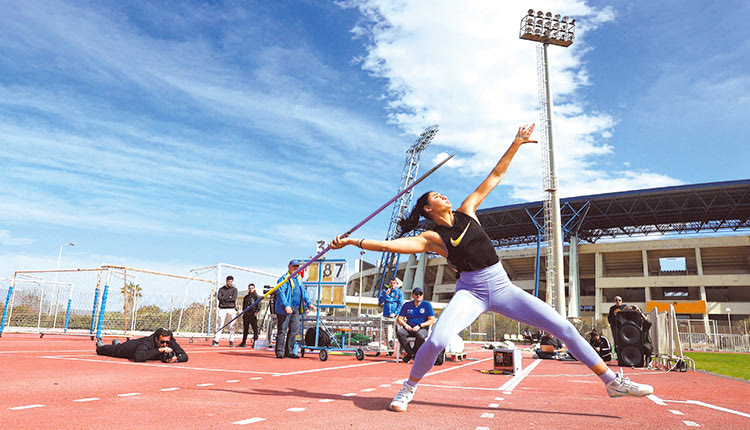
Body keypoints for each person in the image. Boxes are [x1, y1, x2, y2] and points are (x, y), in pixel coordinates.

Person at [330, 124, 653, 412]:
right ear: (429, 209)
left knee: (565, 329)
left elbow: (495, 176)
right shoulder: (430, 237)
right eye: (437, 196)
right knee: (438, 340)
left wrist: (516, 143)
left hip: (502, 287)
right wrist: (352, 242)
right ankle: (408, 387)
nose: (445, 196)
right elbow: (388, 246)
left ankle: (612, 382)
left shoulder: (468, 210)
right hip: (471, 291)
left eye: (444, 194)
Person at [275, 260, 316, 359]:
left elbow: (304, 293)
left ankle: (289, 351)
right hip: (285, 309)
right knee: (282, 330)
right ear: (289, 267)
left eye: (297, 267)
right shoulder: (284, 279)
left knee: (294, 330)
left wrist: (309, 304)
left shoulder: (299, 279)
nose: (296, 268)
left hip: (296, 308)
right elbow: (281, 293)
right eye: (294, 266)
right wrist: (286, 305)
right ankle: (280, 352)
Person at [96, 328, 188, 363]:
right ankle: (100, 347)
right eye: (162, 342)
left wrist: (176, 359)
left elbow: (185, 356)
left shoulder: (169, 341)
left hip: (137, 347)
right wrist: (159, 350)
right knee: (116, 350)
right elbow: (138, 357)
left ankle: (117, 342)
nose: (165, 345)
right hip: (130, 348)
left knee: (118, 346)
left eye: (167, 342)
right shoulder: (148, 342)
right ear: (156, 339)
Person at [396, 287, 436, 363]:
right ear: (413, 296)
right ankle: (411, 354)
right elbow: (399, 319)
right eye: (416, 294)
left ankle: (410, 355)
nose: (418, 296)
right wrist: (405, 325)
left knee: (420, 336)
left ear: (422, 296)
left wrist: (420, 326)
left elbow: (432, 320)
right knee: (400, 333)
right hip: (409, 328)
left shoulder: (427, 305)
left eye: (420, 294)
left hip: (422, 329)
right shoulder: (407, 305)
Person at [212, 275, 238, 347]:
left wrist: (225, 299)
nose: (230, 282)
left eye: (231, 281)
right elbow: (219, 297)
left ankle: (231, 341)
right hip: (222, 308)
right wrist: (228, 298)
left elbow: (233, 299)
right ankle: (216, 340)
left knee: (232, 325)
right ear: (226, 281)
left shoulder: (234, 290)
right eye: (228, 281)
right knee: (220, 324)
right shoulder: (221, 289)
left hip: (231, 309)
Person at [238, 283, 261, 348]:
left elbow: (259, 305)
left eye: (252, 288)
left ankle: (255, 342)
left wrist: (256, 312)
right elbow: (244, 305)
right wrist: (243, 312)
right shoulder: (246, 297)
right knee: (245, 329)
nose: (250, 289)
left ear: (254, 288)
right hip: (246, 314)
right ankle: (243, 342)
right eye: (249, 288)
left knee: (255, 329)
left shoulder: (256, 296)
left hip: (253, 314)